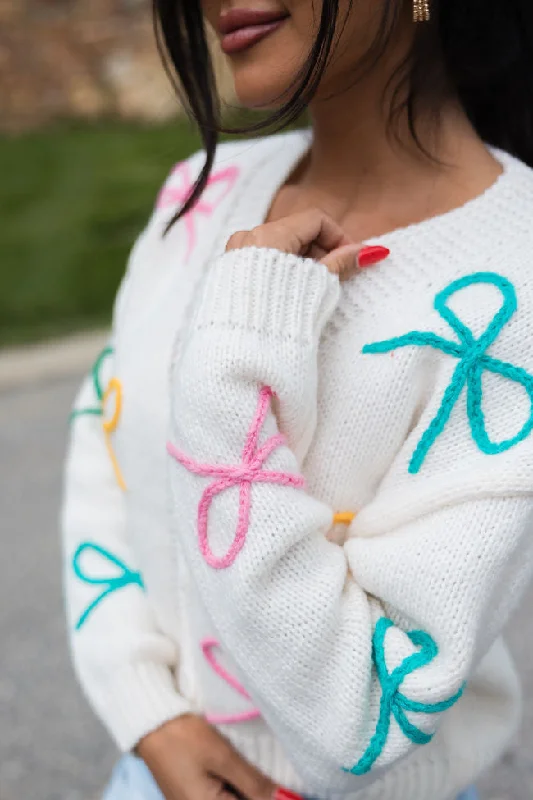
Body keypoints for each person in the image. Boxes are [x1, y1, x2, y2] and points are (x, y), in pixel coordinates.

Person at [61, 0, 533, 798]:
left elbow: (361, 716)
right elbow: (103, 451)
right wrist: (147, 713)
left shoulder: (514, 281)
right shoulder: (201, 194)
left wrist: (234, 351)